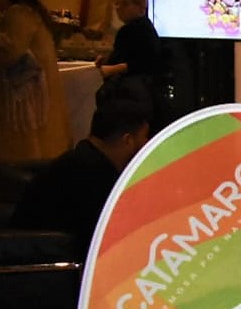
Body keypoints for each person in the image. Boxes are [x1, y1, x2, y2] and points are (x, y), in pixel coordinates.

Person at [11, 86, 152, 259]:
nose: (146, 144)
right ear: (128, 140)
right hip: (41, 269)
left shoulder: (83, 160)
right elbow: (107, 242)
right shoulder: (94, 176)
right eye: (144, 137)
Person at [0, 0, 71, 164]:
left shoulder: (19, 13)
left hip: (27, 103)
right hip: (38, 100)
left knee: (29, 156)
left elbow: (9, 51)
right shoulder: (32, 12)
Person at [96, 0, 163, 94]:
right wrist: (107, 61)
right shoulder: (137, 28)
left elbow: (145, 62)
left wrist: (112, 69)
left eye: (125, 4)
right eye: (116, 4)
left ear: (141, 7)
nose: (118, 8)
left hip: (132, 91)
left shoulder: (138, 29)